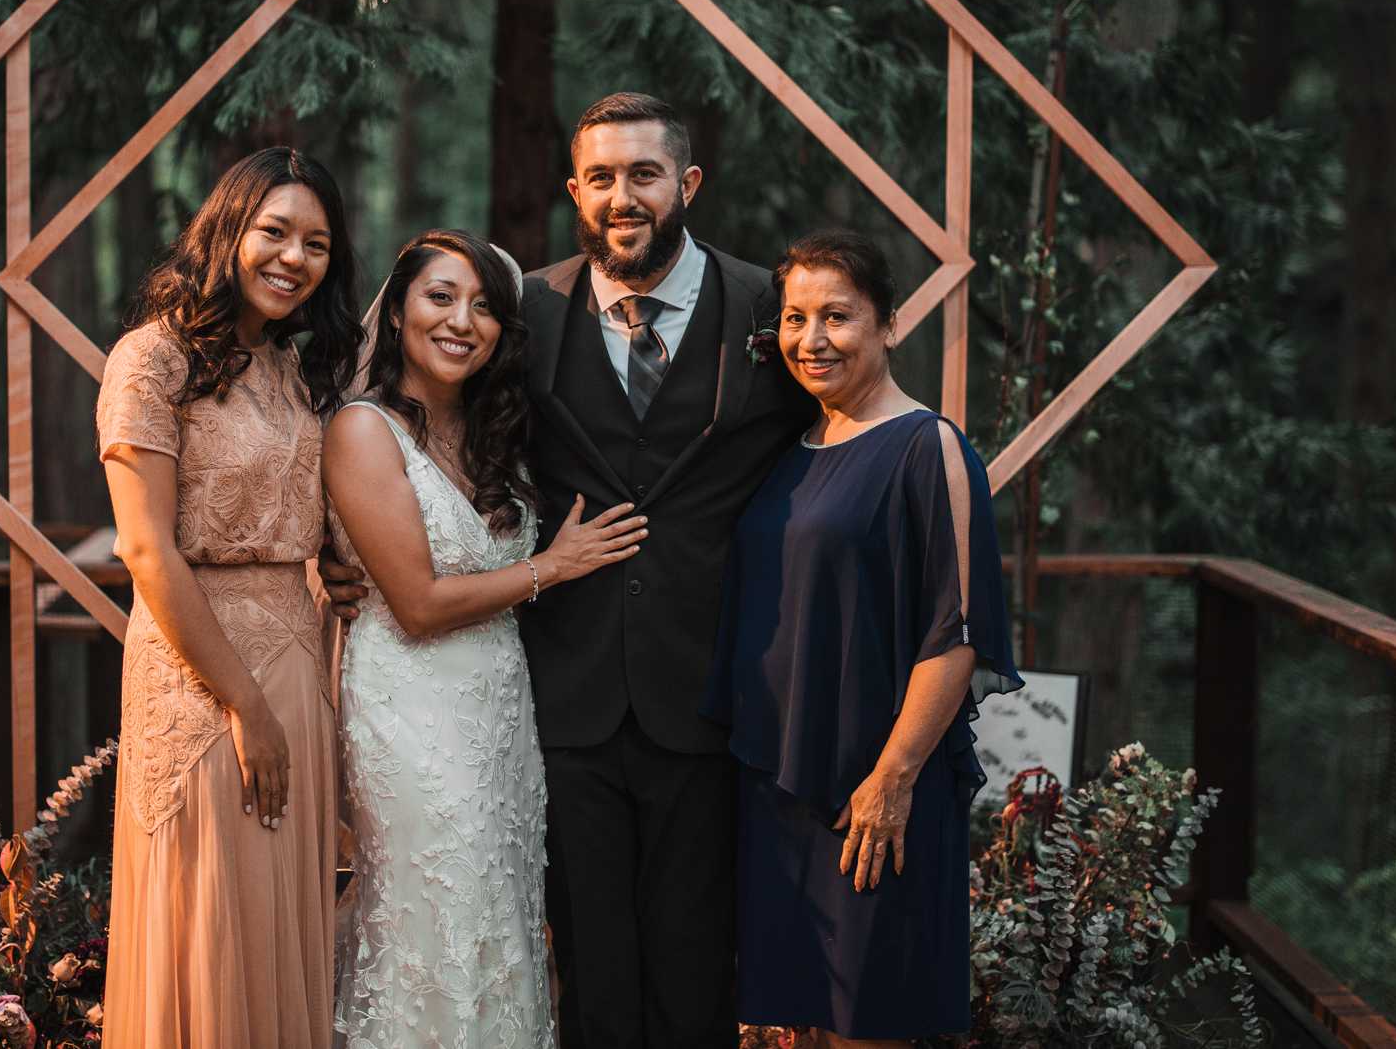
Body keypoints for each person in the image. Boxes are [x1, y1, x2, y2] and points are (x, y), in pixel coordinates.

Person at [519, 92, 815, 1048]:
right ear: (576, 189)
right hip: (568, 690)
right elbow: (437, 438)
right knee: (590, 968)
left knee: (696, 965)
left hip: (712, 683)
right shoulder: (526, 307)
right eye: (600, 177)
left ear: (685, 183)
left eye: (643, 174)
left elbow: (836, 440)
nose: (622, 196)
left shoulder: (769, 304)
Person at [324, 229, 649, 1048]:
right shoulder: (363, 431)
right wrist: (554, 566)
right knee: (440, 916)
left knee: (503, 920)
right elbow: (419, 602)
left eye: (483, 306)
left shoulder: (489, 430)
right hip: (412, 712)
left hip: (500, 714)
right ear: (396, 310)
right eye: (440, 297)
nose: (462, 320)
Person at [705, 229, 1022, 1048]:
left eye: (838, 316)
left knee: (866, 1024)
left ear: (890, 322)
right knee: (792, 1029)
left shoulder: (929, 446)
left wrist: (893, 778)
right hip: (781, 787)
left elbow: (956, 629)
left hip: (872, 795)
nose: (812, 339)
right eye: (794, 317)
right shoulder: (792, 449)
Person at [95, 147, 366, 1049]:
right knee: (210, 906)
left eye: (317, 243)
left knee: (281, 912)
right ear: (228, 229)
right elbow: (145, 548)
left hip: (297, 657)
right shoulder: (153, 357)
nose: (295, 257)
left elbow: (294, 502)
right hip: (203, 678)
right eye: (275, 231)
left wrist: (331, 560)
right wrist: (243, 704)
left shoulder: (290, 368)